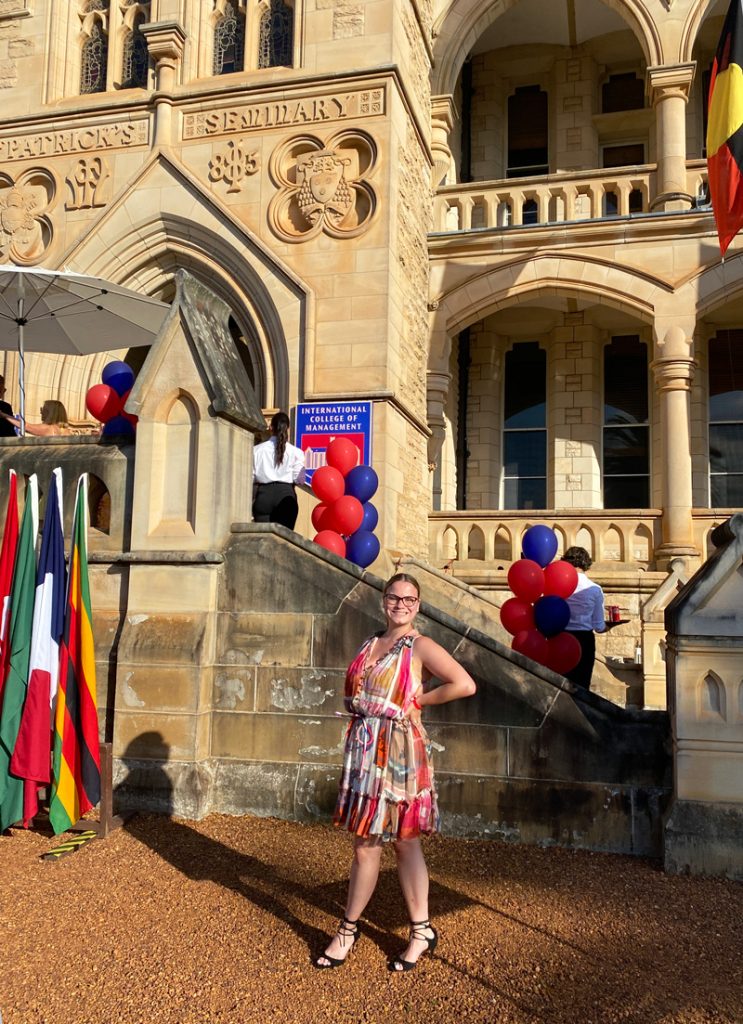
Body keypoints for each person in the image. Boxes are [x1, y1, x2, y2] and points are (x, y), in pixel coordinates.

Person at [314, 573, 477, 972]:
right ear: (383, 600)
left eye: (409, 599)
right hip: (366, 749)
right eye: (394, 597)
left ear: (418, 605)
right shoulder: (371, 642)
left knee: (405, 841)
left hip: (401, 750)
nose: (401, 604)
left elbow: (464, 684)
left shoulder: (419, 645)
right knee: (365, 843)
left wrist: (420, 698)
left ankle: (419, 930)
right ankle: (348, 930)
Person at [252, 411, 306, 530]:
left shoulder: (256, 450)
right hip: (285, 495)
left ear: (271, 427)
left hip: (263, 495)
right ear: (287, 428)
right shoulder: (296, 452)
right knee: (284, 541)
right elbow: (300, 480)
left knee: (262, 539)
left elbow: (251, 476)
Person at [562, 546, 606, 690]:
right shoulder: (594, 589)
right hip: (583, 639)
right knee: (581, 686)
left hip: (560, 637)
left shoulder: (558, 585)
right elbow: (599, 626)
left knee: (558, 683)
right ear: (586, 564)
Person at [0, 399, 72, 437]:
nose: (41, 412)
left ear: (50, 413)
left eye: (43, 409)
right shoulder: (67, 432)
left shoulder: (49, 429)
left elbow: (25, 426)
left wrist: (3, 415)